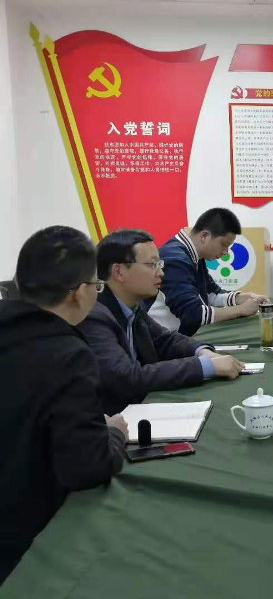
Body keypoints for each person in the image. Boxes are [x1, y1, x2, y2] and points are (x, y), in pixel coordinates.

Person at [0, 226, 128, 584]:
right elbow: (86, 467)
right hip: (25, 551)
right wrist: (114, 434)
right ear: (79, 292)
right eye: (96, 286)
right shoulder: (67, 354)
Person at [78, 229, 245, 415]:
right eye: (152, 265)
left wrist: (205, 353)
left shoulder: (134, 304)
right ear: (119, 272)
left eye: (160, 264)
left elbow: (165, 340)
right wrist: (205, 366)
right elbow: (127, 376)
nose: (161, 273)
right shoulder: (94, 315)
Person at [148, 208, 267, 336]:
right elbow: (192, 314)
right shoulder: (175, 260)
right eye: (224, 244)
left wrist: (242, 297)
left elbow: (211, 294)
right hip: (163, 339)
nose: (226, 252)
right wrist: (240, 310)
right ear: (204, 236)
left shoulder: (194, 254)